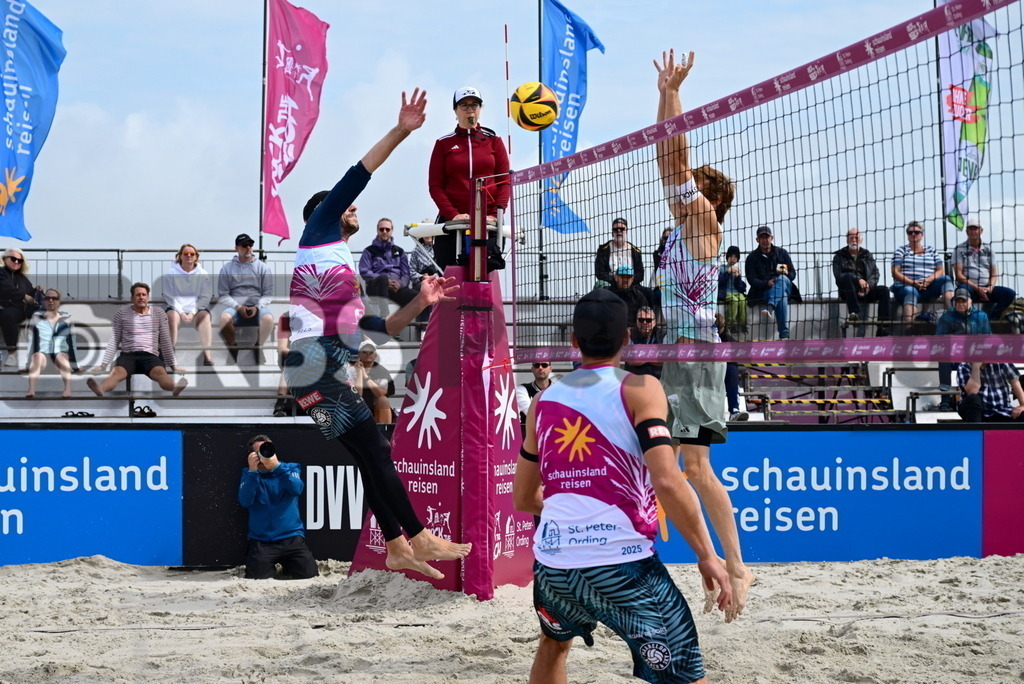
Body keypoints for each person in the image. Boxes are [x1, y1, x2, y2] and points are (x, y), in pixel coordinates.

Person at [286, 88, 471, 580]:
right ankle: (418, 534)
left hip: (315, 367)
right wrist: (402, 130)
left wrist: (421, 302)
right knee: (378, 450)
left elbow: (381, 328)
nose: (353, 209)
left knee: (369, 458)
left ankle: (395, 546)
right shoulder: (318, 229)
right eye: (344, 208)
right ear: (325, 213)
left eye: (350, 208)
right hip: (314, 363)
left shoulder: (339, 267)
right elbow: (359, 173)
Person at [512, 289, 733, 684]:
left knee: (554, 645)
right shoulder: (640, 388)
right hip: (621, 564)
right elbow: (667, 480)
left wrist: (574, 510)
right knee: (685, 674)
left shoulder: (542, 402)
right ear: (628, 338)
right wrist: (706, 554)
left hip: (554, 564)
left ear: (573, 341)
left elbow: (524, 498)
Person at [654, 49, 754, 620]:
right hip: (677, 350)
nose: (678, 190)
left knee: (694, 468)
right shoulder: (678, 230)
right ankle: (713, 560)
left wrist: (676, 96)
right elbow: (667, 160)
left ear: (710, 201)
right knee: (672, 467)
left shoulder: (705, 226)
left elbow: (675, 161)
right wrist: (665, 94)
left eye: (691, 187)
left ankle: (733, 566)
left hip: (696, 353)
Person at [428, 86, 510, 272]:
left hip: (489, 223)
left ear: (480, 109)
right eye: (464, 105)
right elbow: (435, 186)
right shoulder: (443, 143)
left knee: (485, 275)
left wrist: (496, 214)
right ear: (455, 110)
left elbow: (504, 181)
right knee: (451, 275)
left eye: (474, 105)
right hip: (451, 222)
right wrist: (453, 214)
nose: (470, 109)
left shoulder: (494, 141)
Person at [238, 435, 319, 580]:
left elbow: (296, 489)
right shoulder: (249, 474)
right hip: (261, 542)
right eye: (259, 452)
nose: (264, 454)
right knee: (257, 578)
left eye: (266, 449)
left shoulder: (290, 468)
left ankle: (289, 566)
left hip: (291, 538)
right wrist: (253, 471)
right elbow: (245, 501)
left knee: (309, 574)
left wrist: (277, 467)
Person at [86, 282, 188, 397]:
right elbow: (114, 340)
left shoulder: (158, 313)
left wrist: (173, 366)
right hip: (128, 355)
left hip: (150, 355)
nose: (141, 297)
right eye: (138, 295)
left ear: (148, 297)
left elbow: (165, 340)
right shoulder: (122, 313)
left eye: (144, 295)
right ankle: (100, 388)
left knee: (160, 373)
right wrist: (103, 365)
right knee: (116, 373)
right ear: (132, 298)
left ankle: (175, 387)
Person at [218, 233, 274, 364]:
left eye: (250, 244)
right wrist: (238, 307)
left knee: (268, 319)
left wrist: (257, 307)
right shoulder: (227, 268)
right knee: (224, 319)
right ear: (236, 248)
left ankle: (258, 347)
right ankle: (233, 347)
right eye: (244, 245)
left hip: (257, 307)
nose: (248, 247)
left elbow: (268, 294)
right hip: (235, 308)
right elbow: (223, 294)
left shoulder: (263, 268)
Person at [935, 287, 991, 412]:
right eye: (958, 301)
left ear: (970, 301)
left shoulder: (981, 316)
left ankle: (980, 400)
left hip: (975, 355)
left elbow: (988, 338)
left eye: (963, 301)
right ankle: (945, 400)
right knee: (943, 358)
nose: (960, 304)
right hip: (954, 354)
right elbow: (939, 339)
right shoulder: (947, 317)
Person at [890, 221, 954, 323]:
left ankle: (954, 317)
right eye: (910, 232)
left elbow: (940, 270)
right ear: (907, 235)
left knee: (946, 279)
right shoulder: (901, 251)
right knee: (910, 292)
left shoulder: (931, 250)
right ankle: (909, 328)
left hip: (929, 286)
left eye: (916, 232)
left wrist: (928, 280)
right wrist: (912, 283)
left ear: (922, 234)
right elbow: (895, 272)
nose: (913, 234)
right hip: (906, 286)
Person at [952, 221, 1016, 322]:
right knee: (962, 293)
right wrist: (977, 288)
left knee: (1009, 294)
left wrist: (990, 287)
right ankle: (966, 321)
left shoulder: (989, 249)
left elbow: (994, 273)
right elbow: (959, 276)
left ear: (981, 231)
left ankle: (991, 318)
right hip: (969, 287)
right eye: (970, 229)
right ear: (967, 232)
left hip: (986, 288)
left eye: (975, 228)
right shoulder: (959, 249)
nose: (973, 231)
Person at [832, 227, 891, 335]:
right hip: (848, 292)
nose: (854, 240)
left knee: (884, 290)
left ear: (861, 240)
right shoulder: (839, 256)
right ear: (847, 239)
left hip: (866, 290)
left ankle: (883, 328)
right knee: (846, 276)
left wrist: (869, 285)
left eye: (856, 237)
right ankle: (854, 313)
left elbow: (875, 273)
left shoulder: (867, 255)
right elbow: (838, 276)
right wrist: (858, 279)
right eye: (851, 237)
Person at [163, 243, 214, 366]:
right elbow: (169, 296)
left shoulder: (203, 274)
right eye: (186, 253)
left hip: (196, 310)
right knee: (171, 317)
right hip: (176, 309)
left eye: (192, 254)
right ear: (180, 256)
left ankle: (207, 356)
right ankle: (170, 355)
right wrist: (181, 312)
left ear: (196, 257)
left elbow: (205, 297)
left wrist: (192, 312)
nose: (189, 256)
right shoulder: (171, 273)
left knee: (205, 317)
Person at [744, 225, 799, 339]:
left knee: (782, 279)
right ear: (757, 240)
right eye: (762, 237)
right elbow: (751, 280)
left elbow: (793, 274)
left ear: (772, 238)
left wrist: (785, 273)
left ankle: (770, 306)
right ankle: (784, 334)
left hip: (785, 285)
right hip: (764, 291)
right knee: (782, 296)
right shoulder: (751, 258)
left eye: (767, 237)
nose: (765, 240)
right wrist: (766, 283)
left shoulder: (782, 253)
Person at [358, 218, 417, 317]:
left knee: (416, 296)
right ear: (377, 230)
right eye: (381, 229)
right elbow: (365, 272)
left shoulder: (400, 251)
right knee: (382, 278)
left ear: (392, 230)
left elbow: (406, 273)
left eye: (387, 229)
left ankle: (410, 322)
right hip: (376, 289)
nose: (384, 231)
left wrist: (399, 284)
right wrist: (386, 282)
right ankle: (384, 316)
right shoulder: (369, 251)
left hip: (396, 289)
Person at [25, 288, 78, 398]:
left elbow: (72, 341)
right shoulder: (37, 317)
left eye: (54, 298)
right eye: (47, 298)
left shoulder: (66, 318)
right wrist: (27, 362)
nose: (51, 300)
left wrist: (75, 365)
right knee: (37, 356)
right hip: (43, 355)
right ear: (44, 301)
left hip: (60, 355)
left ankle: (68, 389)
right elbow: (31, 340)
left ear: (59, 301)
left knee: (62, 356)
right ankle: (31, 389)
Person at [0, 247, 39, 366]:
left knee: (8, 315)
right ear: (4, 259)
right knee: (7, 314)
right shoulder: (1, 272)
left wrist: (37, 291)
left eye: (20, 260)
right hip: (5, 307)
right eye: (13, 259)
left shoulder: (21, 277)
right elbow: (6, 288)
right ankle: (13, 354)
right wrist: (23, 296)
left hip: (17, 309)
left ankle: (13, 354)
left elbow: (30, 292)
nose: (16, 262)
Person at [957, 361, 1024, 423]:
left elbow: (1015, 383)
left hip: (1002, 410)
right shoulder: (964, 366)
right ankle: (975, 430)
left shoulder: (1002, 363)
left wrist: (1022, 405)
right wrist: (976, 367)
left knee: (1021, 414)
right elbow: (972, 391)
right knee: (973, 399)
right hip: (977, 411)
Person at [348, 339, 396, 424]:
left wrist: (366, 377)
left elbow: (381, 394)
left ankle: (384, 429)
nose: (368, 354)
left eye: (371, 351)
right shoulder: (350, 370)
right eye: (365, 351)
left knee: (383, 400)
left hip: (375, 409)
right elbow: (357, 396)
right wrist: (359, 372)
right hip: (355, 407)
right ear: (359, 354)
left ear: (375, 355)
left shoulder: (382, 371)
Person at [716, 314, 748, 423]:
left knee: (731, 370)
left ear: (724, 326)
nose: (717, 331)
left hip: (724, 367)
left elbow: (736, 357)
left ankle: (734, 411)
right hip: (707, 367)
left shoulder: (729, 339)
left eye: (719, 328)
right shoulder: (703, 339)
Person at [595, 217, 645, 287]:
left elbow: (640, 274)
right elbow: (600, 273)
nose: (618, 231)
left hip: (630, 285)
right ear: (612, 232)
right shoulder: (603, 250)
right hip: (610, 285)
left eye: (622, 229)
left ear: (626, 231)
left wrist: (627, 280)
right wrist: (617, 280)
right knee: (600, 284)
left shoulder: (635, 251)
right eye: (615, 229)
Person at [623, 306, 665, 378]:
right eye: (641, 320)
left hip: (658, 377)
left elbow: (664, 360)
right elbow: (631, 361)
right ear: (636, 321)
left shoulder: (662, 334)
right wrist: (653, 355)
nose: (644, 323)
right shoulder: (630, 334)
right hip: (634, 377)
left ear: (655, 322)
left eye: (648, 320)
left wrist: (641, 356)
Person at [718, 245, 747, 336]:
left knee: (742, 300)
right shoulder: (721, 268)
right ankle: (731, 325)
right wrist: (728, 272)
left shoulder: (737, 269)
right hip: (725, 292)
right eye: (731, 256)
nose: (733, 259)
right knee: (734, 301)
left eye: (735, 257)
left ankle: (742, 324)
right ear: (727, 257)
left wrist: (738, 277)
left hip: (736, 292)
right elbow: (719, 282)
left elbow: (740, 287)